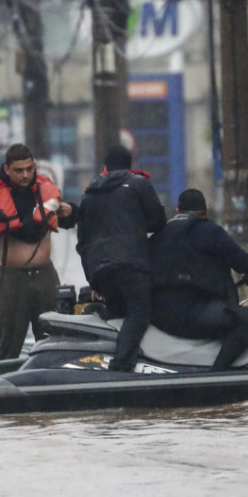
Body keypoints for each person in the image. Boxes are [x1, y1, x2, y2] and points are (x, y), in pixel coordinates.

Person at [0, 143, 78, 360]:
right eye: (19, 170)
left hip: (45, 276)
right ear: (7, 169)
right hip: (13, 279)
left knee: (55, 340)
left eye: (29, 169)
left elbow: (73, 221)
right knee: (8, 345)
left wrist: (70, 211)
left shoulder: (45, 191)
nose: (25, 175)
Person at [150, 189, 248, 370]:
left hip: (160, 315)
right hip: (195, 312)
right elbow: (240, 261)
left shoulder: (159, 235)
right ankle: (218, 373)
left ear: (178, 211)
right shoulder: (210, 231)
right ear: (206, 211)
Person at [76, 146, 166, 372]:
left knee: (116, 313)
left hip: (99, 268)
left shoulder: (89, 194)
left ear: (105, 167)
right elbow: (158, 221)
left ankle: (106, 360)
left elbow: (82, 241)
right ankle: (122, 365)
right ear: (130, 164)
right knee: (140, 312)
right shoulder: (138, 185)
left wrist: (92, 279)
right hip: (130, 263)